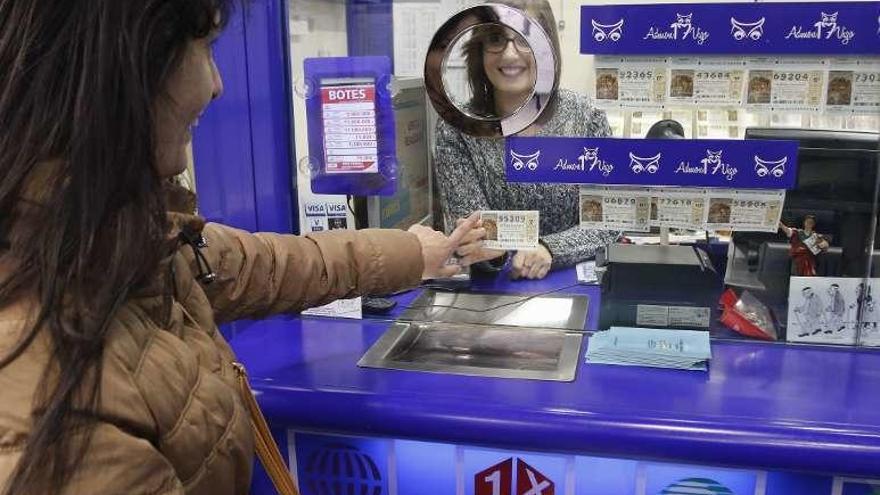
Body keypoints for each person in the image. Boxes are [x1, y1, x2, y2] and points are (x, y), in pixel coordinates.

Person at [0, 2, 481, 494]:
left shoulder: (124, 241)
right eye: (205, 49)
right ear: (129, 68)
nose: (217, 84)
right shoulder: (49, 401)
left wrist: (411, 253)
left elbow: (274, 265)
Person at [434, 0, 618, 281]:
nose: (509, 54)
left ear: (547, 48)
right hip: (495, 288)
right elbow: (471, 230)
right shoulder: (457, 128)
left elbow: (608, 220)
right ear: (480, 51)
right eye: (496, 39)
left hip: (572, 282)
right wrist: (487, 251)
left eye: (525, 39)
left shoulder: (584, 116)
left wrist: (550, 248)